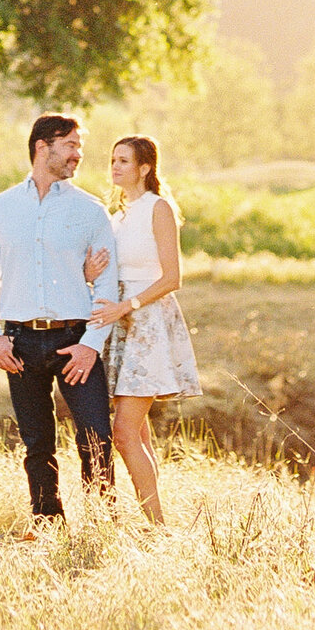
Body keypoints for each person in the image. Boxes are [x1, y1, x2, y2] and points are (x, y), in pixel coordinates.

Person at [0, 113, 119, 527]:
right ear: (43, 146)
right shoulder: (0, 208)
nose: (78, 155)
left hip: (75, 341)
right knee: (37, 443)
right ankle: (48, 524)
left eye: (79, 147)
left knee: (96, 439)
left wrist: (91, 344)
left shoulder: (90, 210)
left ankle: (101, 527)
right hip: (18, 343)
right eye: (71, 145)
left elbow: (109, 286)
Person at [88, 133, 200, 524]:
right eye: (112, 160)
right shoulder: (115, 216)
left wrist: (127, 305)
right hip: (116, 327)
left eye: (123, 161)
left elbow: (173, 278)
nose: (115, 167)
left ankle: (157, 528)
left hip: (147, 323)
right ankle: (155, 524)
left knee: (123, 433)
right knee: (137, 433)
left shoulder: (159, 208)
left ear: (144, 168)